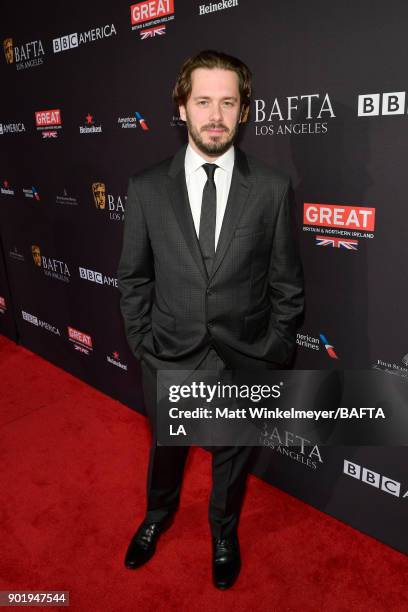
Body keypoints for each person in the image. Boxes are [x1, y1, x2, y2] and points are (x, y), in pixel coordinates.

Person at [117, 49, 304, 589]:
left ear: (244, 111)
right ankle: (156, 517)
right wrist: (143, 344)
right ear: (182, 107)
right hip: (169, 354)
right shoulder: (147, 187)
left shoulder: (270, 188)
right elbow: (133, 278)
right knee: (166, 450)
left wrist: (273, 350)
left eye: (228, 102)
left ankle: (224, 532)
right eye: (203, 101)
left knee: (230, 456)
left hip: (243, 359)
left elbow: (287, 285)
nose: (215, 115)